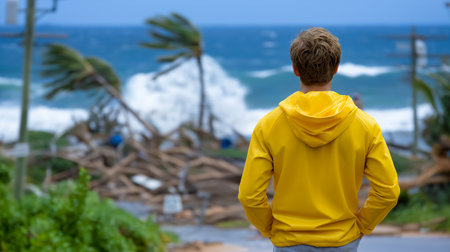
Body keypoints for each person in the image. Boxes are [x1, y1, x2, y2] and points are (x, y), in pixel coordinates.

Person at [238, 27, 400, 251]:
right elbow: (388, 191)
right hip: (342, 241)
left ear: (295, 69)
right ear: (336, 68)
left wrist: (270, 229)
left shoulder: (269, 125)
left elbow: (249, 196)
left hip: (288, 241)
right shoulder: (365, 126)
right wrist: (361, 226)